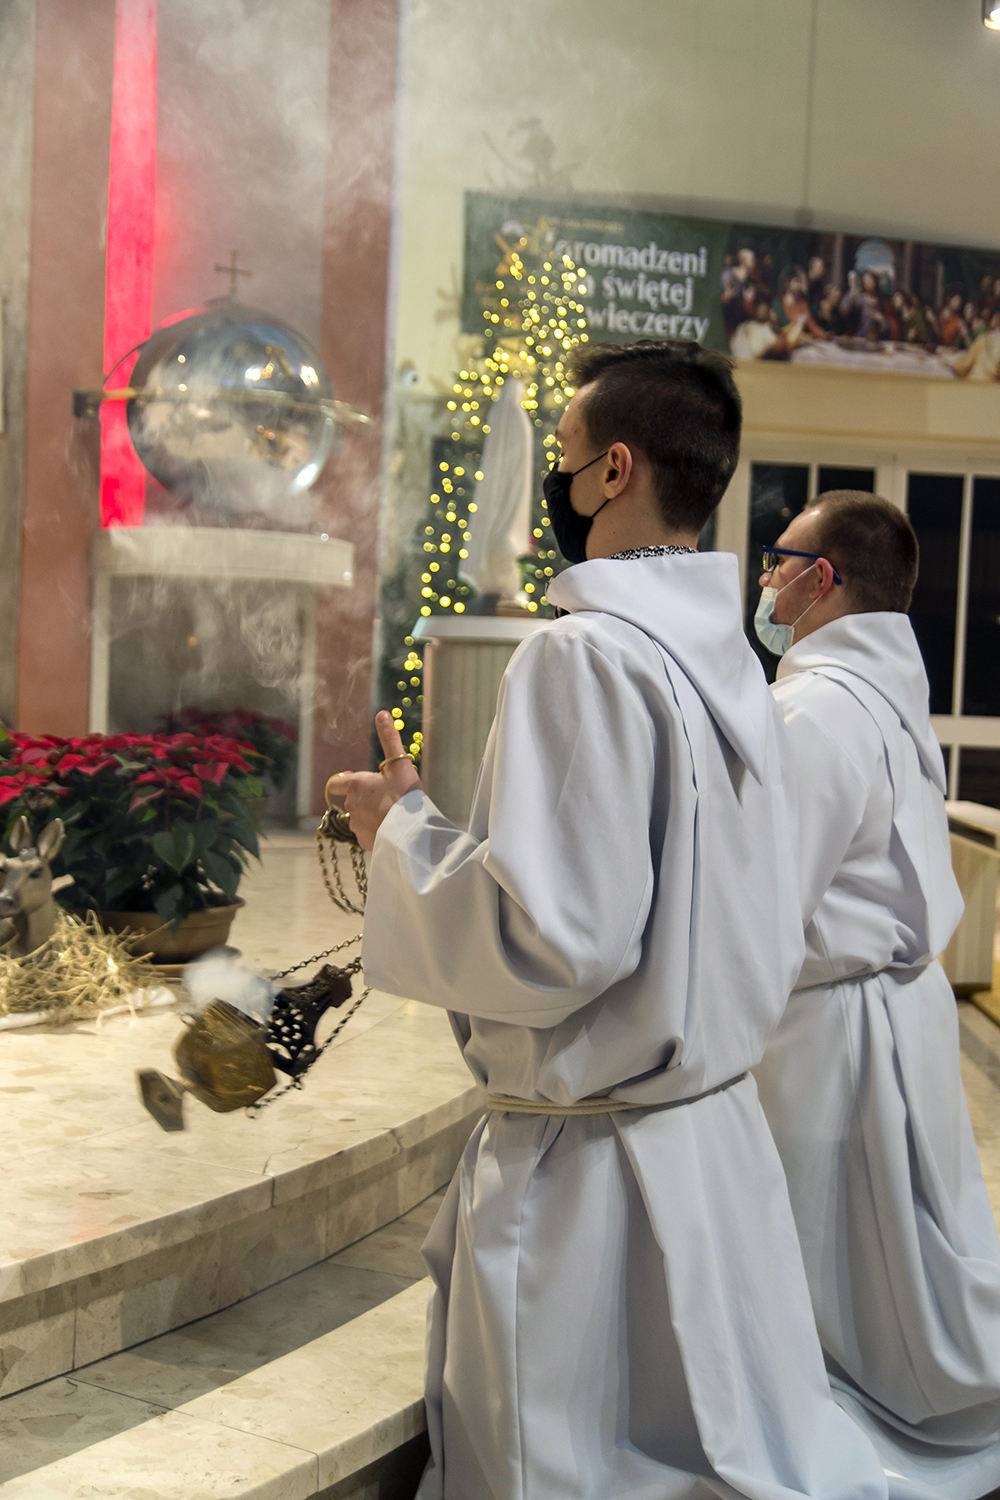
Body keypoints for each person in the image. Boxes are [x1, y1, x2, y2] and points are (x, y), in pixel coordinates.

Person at [330, 343, 894, 1500]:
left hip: (597, 1186)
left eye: (566, 455)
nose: (557, 478)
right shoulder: (730, 660)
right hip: (711, 1143)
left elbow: (556, 940)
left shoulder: (582, 655)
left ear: (613, 472)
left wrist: (399, 836)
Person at [752, 491, 1000, 1500]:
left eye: (777, 559)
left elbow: (768, 901)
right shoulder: (888, 698)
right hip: (900, 1007)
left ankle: (848, 1413)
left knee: (836, 1269)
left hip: (831, 1027)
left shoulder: (810, 709)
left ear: (822, 580)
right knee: (910, 1247)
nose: (764, 578)